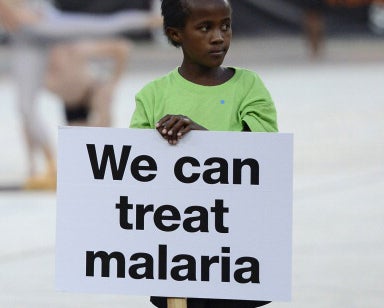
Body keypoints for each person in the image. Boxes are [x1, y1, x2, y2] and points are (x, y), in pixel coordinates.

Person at [129, 0, 277, 307]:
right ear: (175, 34)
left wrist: (199, 140)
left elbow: (263, 162)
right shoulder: (152, 95)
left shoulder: (248, 87)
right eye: (204, 27)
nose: (219, 37)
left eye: (225, 25)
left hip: (236, 252)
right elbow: (134, 175)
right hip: (175, 255)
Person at [0, 0, 161, 190]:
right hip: (34, 43)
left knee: (102, 96)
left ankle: (161, 19)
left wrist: (112, 84)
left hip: (87, 91)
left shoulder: (76, 48)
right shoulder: (40, 67)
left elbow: (121, 47)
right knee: (26, 109)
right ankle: (50, 163)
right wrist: (33, 167)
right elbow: (27, 114)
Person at [45, 37, 131, 127]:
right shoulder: (40, 63)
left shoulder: (78, 49)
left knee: (103, 101)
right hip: (70, 104)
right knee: (76, 134)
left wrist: (113, 84)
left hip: (91, 93)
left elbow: (122, 48)